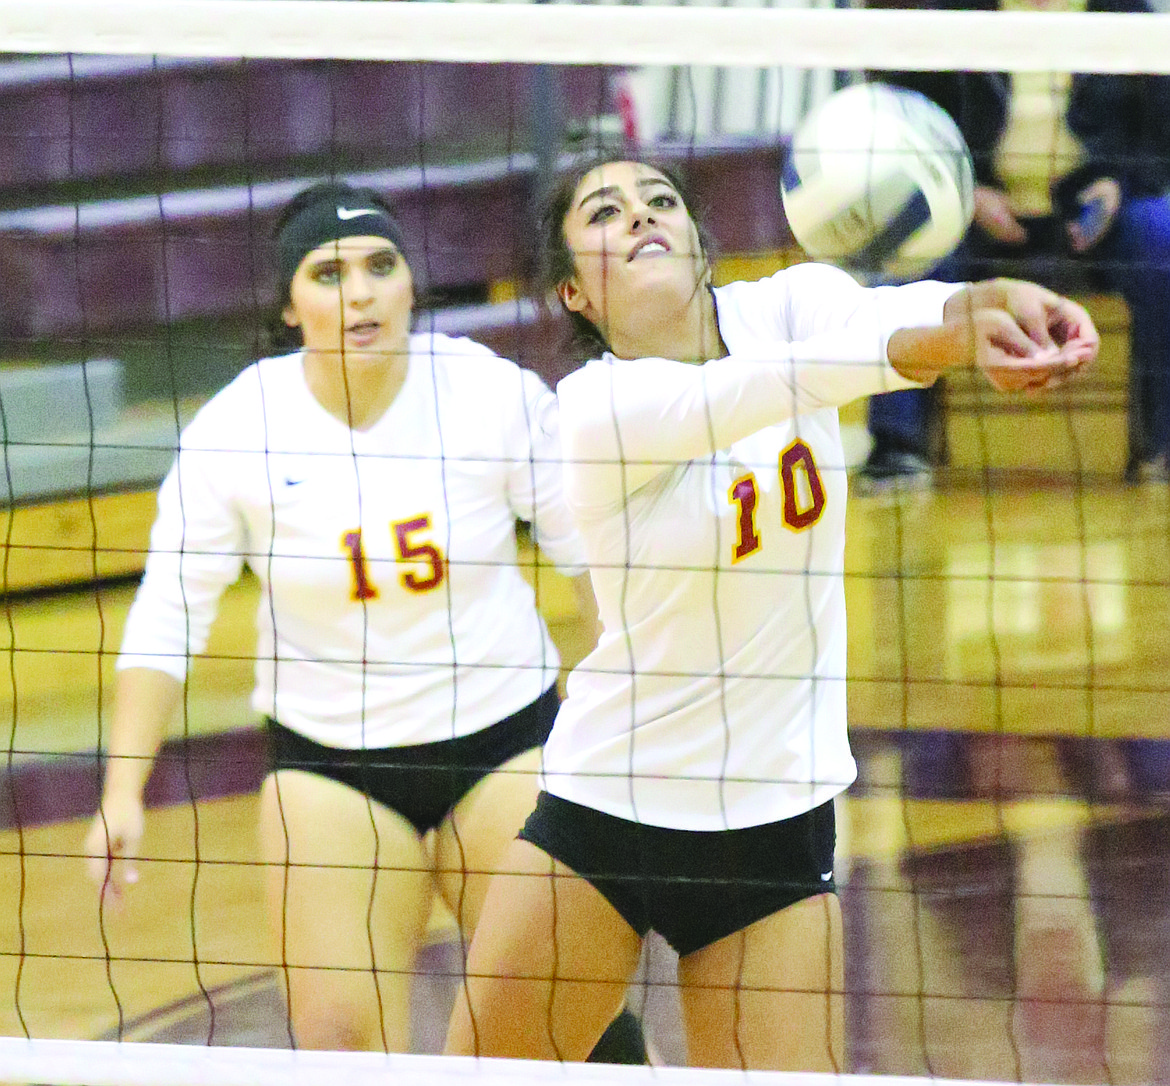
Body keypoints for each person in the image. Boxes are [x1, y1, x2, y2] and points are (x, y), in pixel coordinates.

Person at [442, 155, 1097, 1070]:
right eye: (605, 212)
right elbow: (765, 387)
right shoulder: (592, 408)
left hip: (772, 819)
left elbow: (894, 317)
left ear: (703, 244)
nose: (640, 218)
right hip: (608, 809)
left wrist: (988, 304)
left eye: (660, 200)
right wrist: (942, 339)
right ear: (573, 292)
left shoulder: (792, 306)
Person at [82, 181, 648, 1059]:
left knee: (567, 1027)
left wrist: (632, 722)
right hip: (331, 768)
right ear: (289, 305)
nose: (361, 291)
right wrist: (122, 792)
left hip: (505, 741)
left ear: (411, 287)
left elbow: (593, 562)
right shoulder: (242, 427)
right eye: (329, 272)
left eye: (382, 266)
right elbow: (166, 616)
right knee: (340, 1043)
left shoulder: (487, 393)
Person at [857, 0, 1170, 489]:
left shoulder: (1128, 15)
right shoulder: (952, 16)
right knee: (915, 242)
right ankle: (897, 447)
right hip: (978, 210)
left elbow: (1160, 139)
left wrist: (1120, 184)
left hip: (1094, 213)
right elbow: (910, 127)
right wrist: (965, 192)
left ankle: (1161, 447)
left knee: (1162, 234)